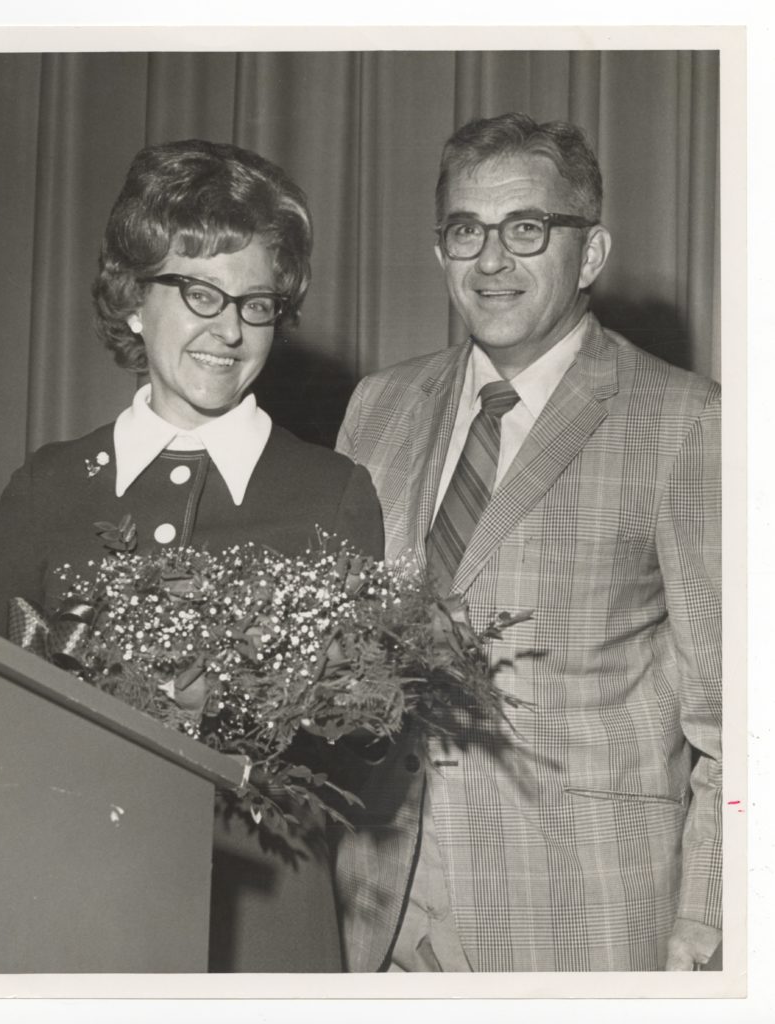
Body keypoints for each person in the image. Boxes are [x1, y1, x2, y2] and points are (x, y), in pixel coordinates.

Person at [0, 139, 384, 972]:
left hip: (261, 922)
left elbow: (356, 748)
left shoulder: (331, 492)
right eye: (199, 292)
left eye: (257, 303)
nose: (229, 330)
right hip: (67, 900)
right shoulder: (47, 486)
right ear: (133, 299)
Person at [334, 113, 721, 972]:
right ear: (440, 252)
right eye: (466, 231)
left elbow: (739, 720)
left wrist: (709, 921)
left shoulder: (684, 420)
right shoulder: (377, 408)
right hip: (380, 905)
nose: (491, 260)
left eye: (526, 228)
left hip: (584, 913)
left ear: (588, 255)